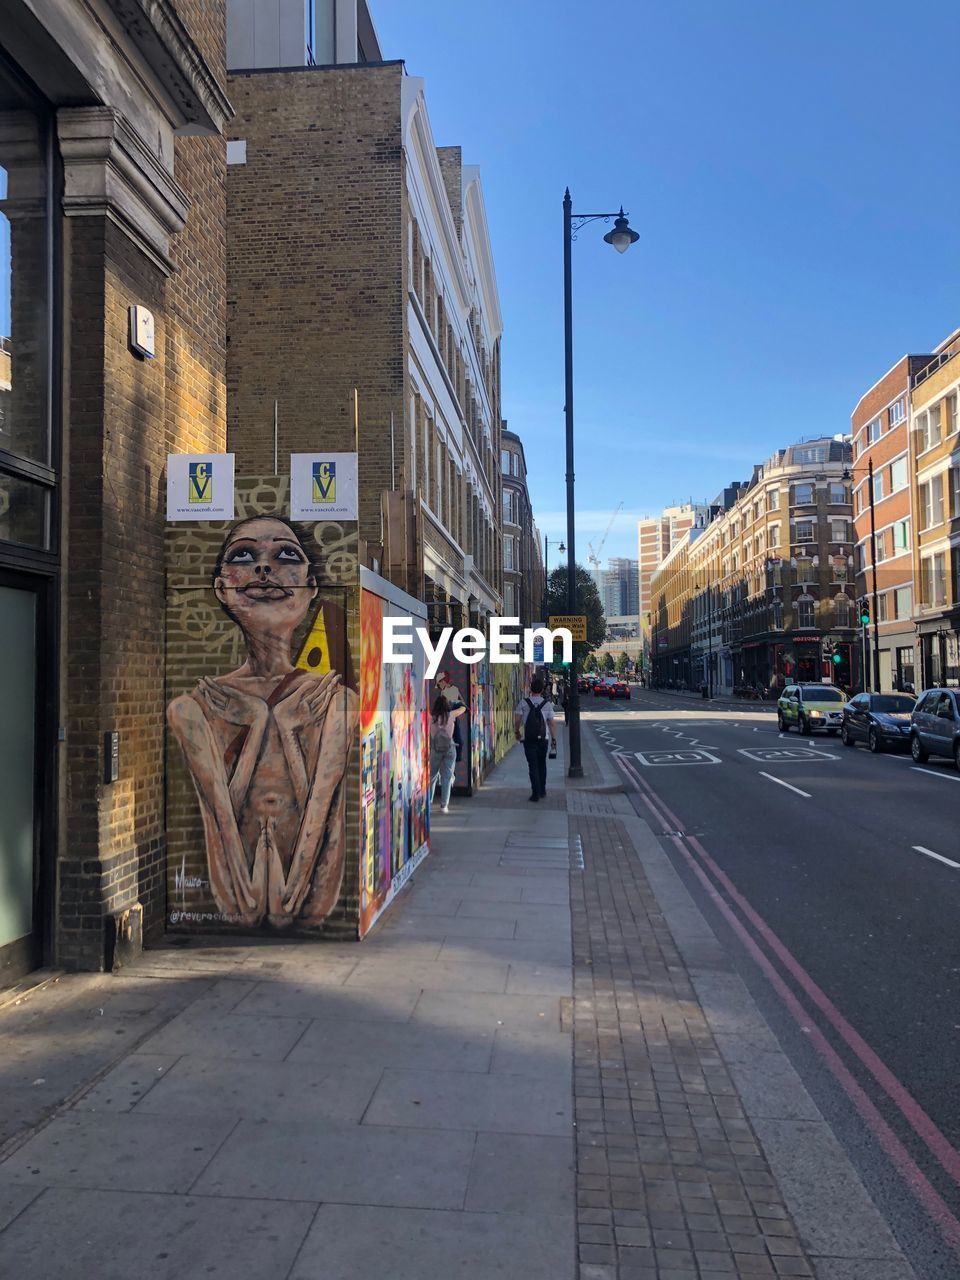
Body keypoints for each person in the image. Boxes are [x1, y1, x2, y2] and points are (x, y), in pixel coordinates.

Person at [167, 515, 359, 929]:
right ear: (221, 587)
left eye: (286, 554)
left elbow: (319, 820)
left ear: (310, 588)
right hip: (239, 891)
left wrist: (288, 729)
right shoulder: (191, 709)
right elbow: (225, 831)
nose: (264, 568)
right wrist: (256, 724)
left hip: (311, 898)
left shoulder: (337, 702)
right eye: (244, 555)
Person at [514, 674, 557, 802]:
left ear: (530, 689)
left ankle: (535, 793)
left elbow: (517, 719)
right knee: (542, 764)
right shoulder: (547, 704)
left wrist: (517, 731)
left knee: (532, 766)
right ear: (542, 690)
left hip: (529, 738)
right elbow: (552, 723)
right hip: (543, 739)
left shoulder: (524, 702)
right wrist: (554, 739)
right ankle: (542, 790)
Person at [430, 694, 465, 813]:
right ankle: (444, 806)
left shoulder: (431, 717)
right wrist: (456, 702)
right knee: (447, 776)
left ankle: (428, 802)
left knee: (432, 776)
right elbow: (463, 708)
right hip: (449, 747)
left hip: (435, 748)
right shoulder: (451, 715)